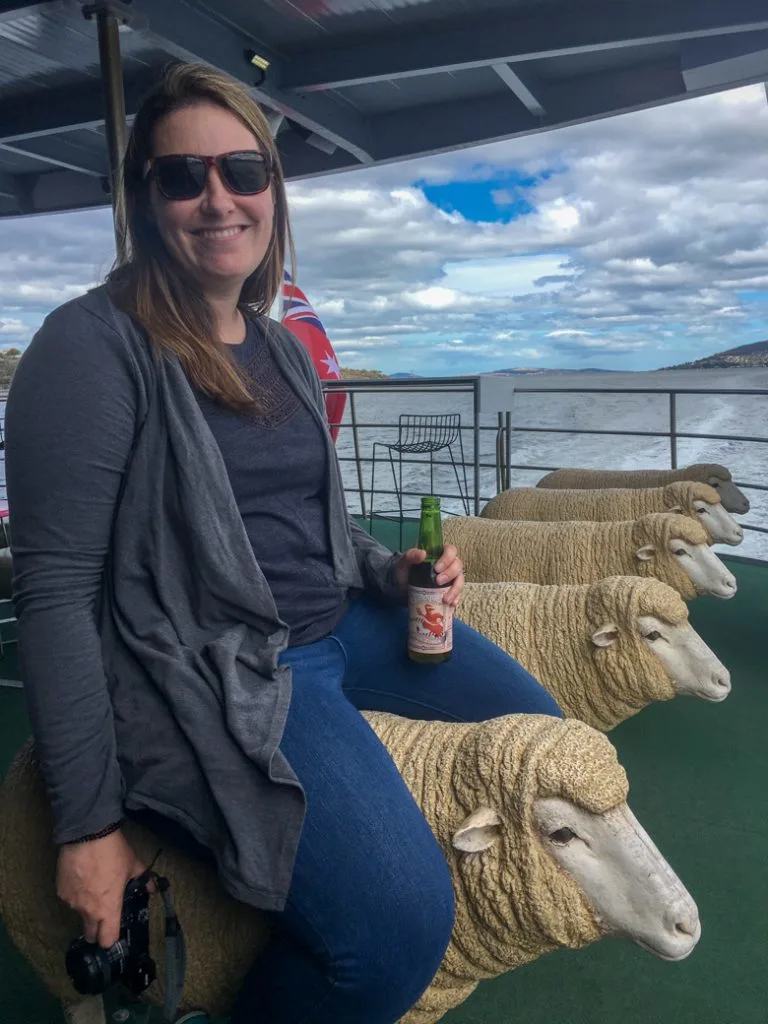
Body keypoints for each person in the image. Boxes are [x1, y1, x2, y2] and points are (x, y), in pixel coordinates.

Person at [4, 61, 562, 1024]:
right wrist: (86, 821)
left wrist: (392, 571)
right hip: (239, 663)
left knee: (548, 743)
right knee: (396, 930)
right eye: (182, 177)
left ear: (273, 187)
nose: (217, 197)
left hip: (352, 617)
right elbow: (56, 595)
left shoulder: (280, 346)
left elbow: (317, 519)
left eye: (242, 170)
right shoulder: (90, 347)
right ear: (144, 199)